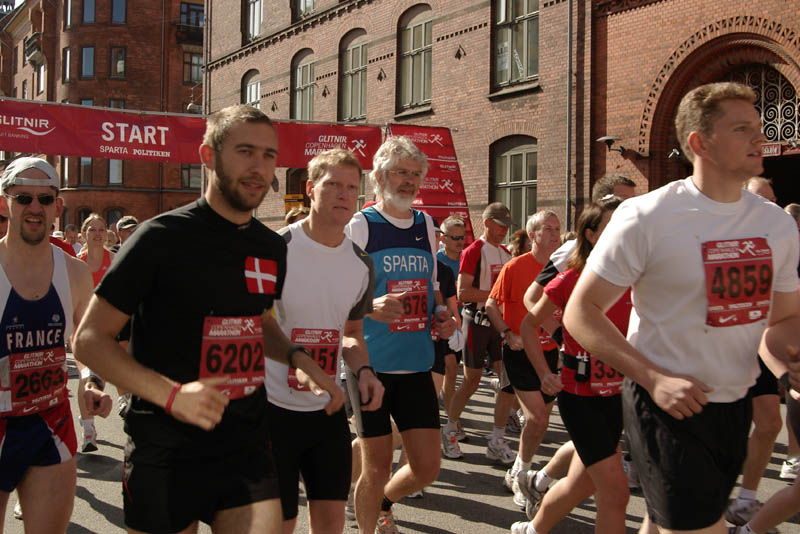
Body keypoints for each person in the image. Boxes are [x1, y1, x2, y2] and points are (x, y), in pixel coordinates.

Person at [73, 104, 344, 534]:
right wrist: (172, 395)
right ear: (208, 156)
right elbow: (89, 340)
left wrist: (299, 359)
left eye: (268, 155)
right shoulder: (159, 238)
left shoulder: (271, 247)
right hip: (165, 447)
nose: (259, 167)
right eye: (245, 151)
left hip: (246, 445)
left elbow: (259, 321)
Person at [563, 82, 800, 534]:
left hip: (735, 405)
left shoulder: (776, 225)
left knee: (664, 524)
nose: (759, 137)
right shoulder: (646, 216)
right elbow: (581, 311)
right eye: (741, 129)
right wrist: (654, 378)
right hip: (666, 406)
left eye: (758, 126)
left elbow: (785, 320)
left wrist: (792, 363)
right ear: (700, 143)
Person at [266, 148, 385, 534]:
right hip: (272, 410)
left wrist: (364, 371)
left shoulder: (361, 263)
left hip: (327, 410)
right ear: (310, 189)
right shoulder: (276, 250)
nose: (343, 194)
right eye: (333, 184)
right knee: (281, 524)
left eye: (351, 187)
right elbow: (253, 326)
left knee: (331, 523)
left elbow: (351, 334)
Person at [345, 136, 456, 534]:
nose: (409, 180)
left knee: (427, 468)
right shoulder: (361, 225)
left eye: (415, 174)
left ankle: (383, 503)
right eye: (400, 172)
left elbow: (432, 287)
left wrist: (442, 314)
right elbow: (338, 295)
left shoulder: (426, 224)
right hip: (371, 365)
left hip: (416, 363)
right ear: (379, 176)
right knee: (375, 467)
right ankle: (367, 522)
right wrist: (370, 307)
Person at [512, 196, 630, 534]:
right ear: (591, 235)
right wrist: (545, 374)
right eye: (613, 225)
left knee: (582, 484)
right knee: (615, 493)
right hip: (581, 397)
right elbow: (529, 325)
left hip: (619, 395)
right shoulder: (571, 278)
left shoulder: (636, 276)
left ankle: (532, 529)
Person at [0, 157, 101, 533]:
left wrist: (90, 381)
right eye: (23, 197)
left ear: (58, 206)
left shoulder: (75, 272)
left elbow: (86, 342)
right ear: (5, 202)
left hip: (50, 424)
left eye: (45, 199)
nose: (34, 207)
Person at [484, 210, 561, 508]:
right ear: (532, 235)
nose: (555, 234)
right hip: (519, 353)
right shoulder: (515, 267)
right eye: (548, 229)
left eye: (557, 229)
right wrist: (506, 333)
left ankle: (518, 466)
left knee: (541, 423)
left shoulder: (564, 267)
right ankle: (523, 475)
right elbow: (491, 305)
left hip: (550, 353)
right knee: (537, 417)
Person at [725, 178, 785, 528]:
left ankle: (745, 500)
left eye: (773, 200)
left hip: (760, 347)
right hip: (722, 349)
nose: (769, 206)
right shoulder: (719, 235)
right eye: (763, 199)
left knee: (770, 423)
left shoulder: (779, 238)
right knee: (724, 433)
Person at [442, 202, 513, 464]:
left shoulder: (506, 253)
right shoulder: (474, 250)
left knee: (507, 382)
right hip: (477, 322)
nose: (504, 231)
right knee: (471, 381)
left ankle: (497, 438)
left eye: (507, 226)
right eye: (500, 225)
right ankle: (450, 430)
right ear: (487, 223)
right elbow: (463, 293)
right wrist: (497, 295)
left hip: (499, 324)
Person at [75, 213, 116, 452]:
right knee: (86, 376)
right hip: (81, 330)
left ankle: (91, 414)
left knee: (99, 376)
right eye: (92, 229)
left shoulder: (115, 261)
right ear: (84, 234)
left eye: (101, 229)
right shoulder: (76, 264)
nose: (98, 234)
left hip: (108, 330)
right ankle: (88, 430)